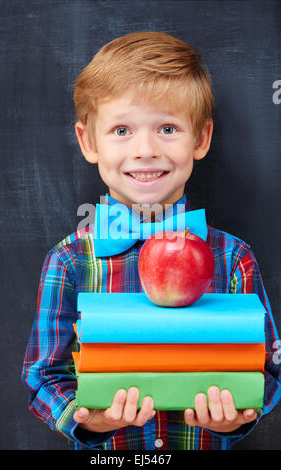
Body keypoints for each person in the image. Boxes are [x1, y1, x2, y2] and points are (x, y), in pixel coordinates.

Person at [22, 31, 281, 450]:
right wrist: (92, 420)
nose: (145, 150)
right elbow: (44, 376)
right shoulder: (69, 260)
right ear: (89, 141)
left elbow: (268, 366)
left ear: (200, 139)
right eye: (122, 129)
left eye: (167, 128)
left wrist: (237, 417)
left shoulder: (234, 258)